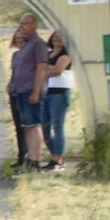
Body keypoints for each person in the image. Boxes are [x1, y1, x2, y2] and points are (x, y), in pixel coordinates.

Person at [7, 13, 49, 172]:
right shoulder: (27, 45)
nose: (22, 26)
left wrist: (36, 91)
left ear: (34, 25)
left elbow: (41, 67)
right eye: (20, 23)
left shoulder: (38, 44)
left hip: (31, 90)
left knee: (34, 124)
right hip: (21, 90)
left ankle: (35, 160)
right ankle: (30, 158)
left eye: (25, 23)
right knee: (28, 126)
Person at [42, 30, 74, 171]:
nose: (57, 39)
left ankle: (57, 159)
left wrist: (44, 71)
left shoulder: (65, 55)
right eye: (55, 36)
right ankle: (56, 156)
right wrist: (48, 69)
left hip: (60, 94)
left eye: (61, 37)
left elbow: (57, 71)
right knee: (44, 128)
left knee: (58, 127)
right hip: (46, 94)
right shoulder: (47, 54)